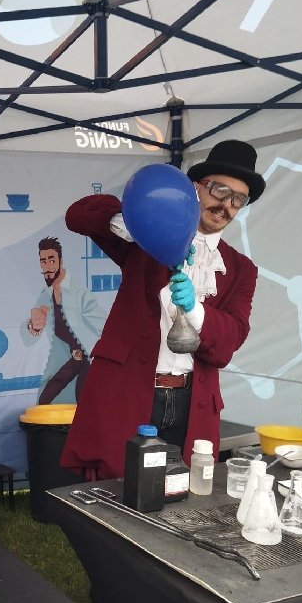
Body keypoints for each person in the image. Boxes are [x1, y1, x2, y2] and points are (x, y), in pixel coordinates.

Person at [60, 140, 265, 478]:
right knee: (117, 487)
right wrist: (138, 222)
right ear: (196, 188)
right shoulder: (145, 240)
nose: (226, 205)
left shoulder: (241, 269)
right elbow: (78, 216)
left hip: (192, 402)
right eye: (220, 190)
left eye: (238, 199)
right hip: (128, 393)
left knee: (184, 489)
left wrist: (196, 310)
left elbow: (231, 340)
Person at [21, 237, 106, 404]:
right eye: (43, 262)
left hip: (89, 360)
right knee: (45, 400)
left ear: (61, 260)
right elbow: (28, 338)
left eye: (51, 260)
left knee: (84, 403)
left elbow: (104, 326)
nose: (47, 267)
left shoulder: (80, 294)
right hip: (68, 359)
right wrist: (33, 326)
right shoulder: (45, 296)